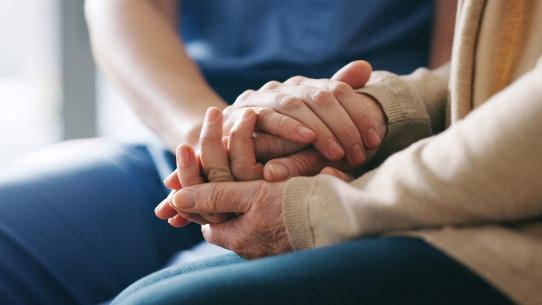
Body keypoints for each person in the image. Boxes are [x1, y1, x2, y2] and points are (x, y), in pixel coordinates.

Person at [0, 0, 451, 304]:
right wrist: (206, 137)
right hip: (180, 141)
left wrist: (353, 137)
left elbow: (465, 68)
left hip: (364, 163)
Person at [111, 0, 542, 304]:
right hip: (214, 140)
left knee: (158, 299)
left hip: (497, 227)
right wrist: (377, 109)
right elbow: (492, 72)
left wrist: (321, 208)